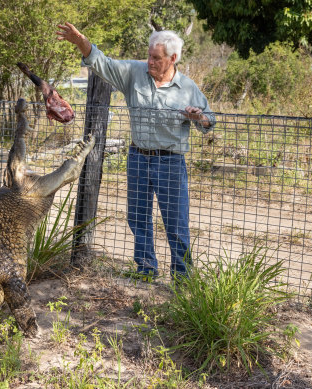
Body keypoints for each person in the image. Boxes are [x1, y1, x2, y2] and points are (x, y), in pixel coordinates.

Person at [57, 22, 215, 280]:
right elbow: (102, 63)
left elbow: (210, 121)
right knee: (138, 218)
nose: (150, 62)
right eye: (149, 55)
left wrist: (199, 117)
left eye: (156, 58)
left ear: (173, 58)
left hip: (171, 162)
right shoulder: (134, 72)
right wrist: (81, 42)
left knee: (175, 223)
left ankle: (183, 277)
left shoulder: (187, 88)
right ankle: (146, 270)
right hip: (139, 157)